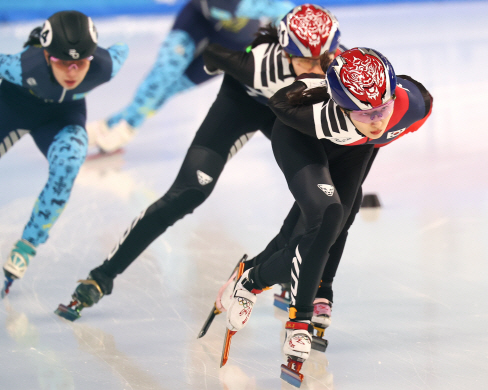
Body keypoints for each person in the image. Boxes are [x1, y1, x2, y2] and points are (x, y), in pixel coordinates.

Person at [55, 4, 343, 321]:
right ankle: (101, 276)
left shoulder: (339, 71)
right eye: (304, 60)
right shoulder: (256, 62)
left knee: (323, 192)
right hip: (241, 104)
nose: (315, 69)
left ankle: (293, 271)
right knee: (187, 193)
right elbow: (188, 69)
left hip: (287, 118)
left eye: (322, 59)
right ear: (285, 52)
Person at [217, 47, 433, 386]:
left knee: (338, 222)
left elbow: (413, 98)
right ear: (341, 105)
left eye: (382, 109)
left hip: (354, 150)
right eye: (363, 113)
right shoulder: (320, 115)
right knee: (328, 216)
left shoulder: (411, 107)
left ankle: (252, 280)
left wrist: (371, 122)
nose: (376, 120)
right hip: (301, 142)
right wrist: (312, 86)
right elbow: (278, 105)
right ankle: (298, 323)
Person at [0, 11, 129, 298]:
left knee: (69, 164)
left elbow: (123, 49)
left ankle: (27, 245)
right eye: (62, 63)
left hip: (61, 119)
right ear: (47, 56)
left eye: (80, 63)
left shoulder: (105, 65)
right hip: (12, 109)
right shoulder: (23, 67)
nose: (72, 72)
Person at [87, 0, 295, 154]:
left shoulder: (255, 4)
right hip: (196, 21)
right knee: (162, 75)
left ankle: (116, 124)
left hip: (232, 44)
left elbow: (290, 15)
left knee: (172, 86)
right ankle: (126, 125)